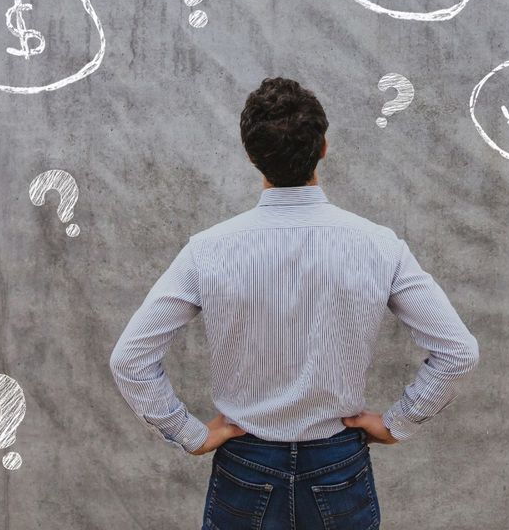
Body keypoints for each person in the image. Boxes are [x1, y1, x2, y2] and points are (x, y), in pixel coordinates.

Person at [109, 77, 480, 530]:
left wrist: (189, 433)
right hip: (338, 465)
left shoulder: (207, 251)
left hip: (245, 466)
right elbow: (458, 353)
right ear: (323, 147)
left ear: (251, 156)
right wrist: (397, 423)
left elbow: (130, 359)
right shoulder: (379, 246)